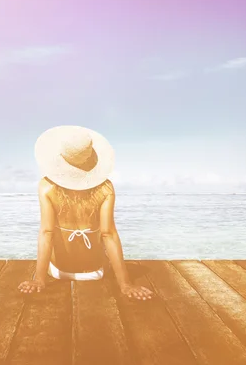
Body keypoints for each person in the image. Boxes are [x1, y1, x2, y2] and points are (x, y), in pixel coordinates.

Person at [18, 125, 153, 301]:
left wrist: (39, 280)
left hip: (58, 272)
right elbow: (108, 234)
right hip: (95, 272)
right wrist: (125, 284)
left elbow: (47, 232)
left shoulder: (46, 187)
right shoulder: (105, 189)